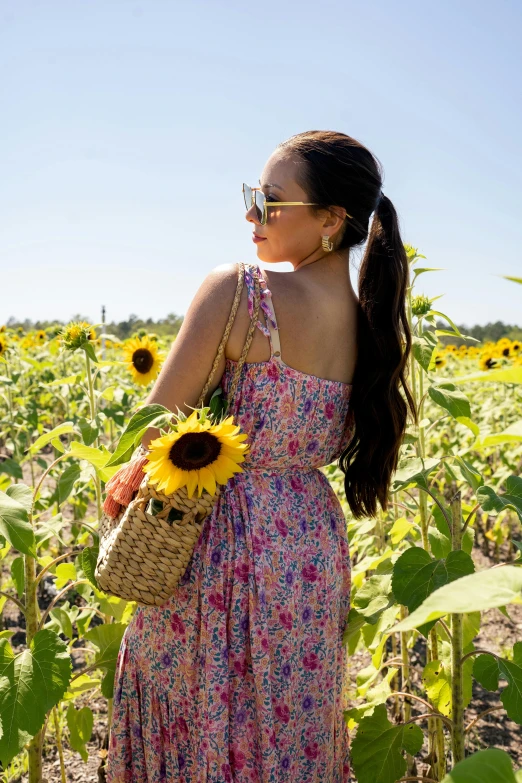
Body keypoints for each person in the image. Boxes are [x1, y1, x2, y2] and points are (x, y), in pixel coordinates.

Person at [105, 129, 416, 782]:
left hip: (224, 542)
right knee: (291, 719)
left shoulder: (240, 292)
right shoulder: (373, 327)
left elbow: (156, 424)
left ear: (332, 221)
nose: (252, 214)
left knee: (195, 709)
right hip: (311, 543)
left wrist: (131, 478)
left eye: (271, 201)